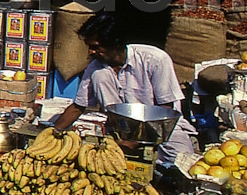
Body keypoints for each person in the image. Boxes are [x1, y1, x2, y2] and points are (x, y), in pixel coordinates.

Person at [54, 12, 198, 164]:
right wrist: (53, 131)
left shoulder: (154, 59)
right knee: (100, 75)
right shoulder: (95, 67)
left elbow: (165, 108)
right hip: (121, 131)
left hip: (161, 126)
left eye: (95, 46)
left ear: (114, 43)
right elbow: (78, 106)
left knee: (182, 161)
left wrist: (137, 142)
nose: (91, 52)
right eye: (89, 47)